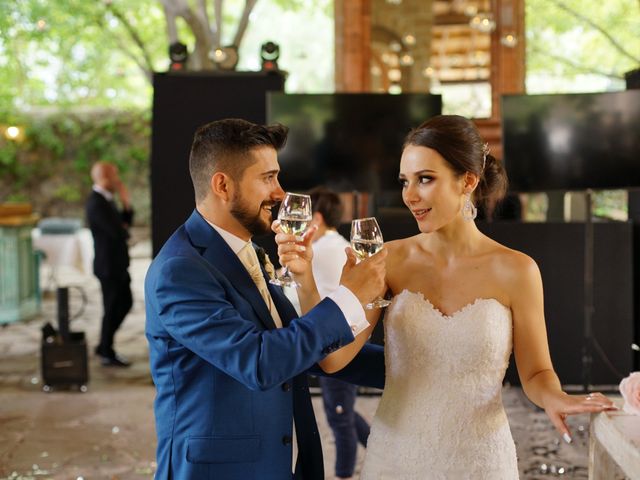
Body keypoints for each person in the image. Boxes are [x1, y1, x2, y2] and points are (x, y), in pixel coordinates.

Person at [277, 115, 616, 479]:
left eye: (425, 179)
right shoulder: (388, 261)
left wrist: (554, 397)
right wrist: (305, 279)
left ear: (467, 180)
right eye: (405, 181)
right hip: (395, 457)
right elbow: (334, 360)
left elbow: (536, 371)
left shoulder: (518, 270)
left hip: (481, 460)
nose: (410, 195)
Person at [144, 118, 386, 480]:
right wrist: (350, 297)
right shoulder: (180, 270)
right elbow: (259, 361)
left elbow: (304, 350)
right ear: (223, 185)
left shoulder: (251, 253)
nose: (279, 192)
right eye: (268, 177)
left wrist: (407, 368)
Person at [307, 187, 370, 480]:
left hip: (335, 344)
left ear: (316, 218)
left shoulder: (320, 251)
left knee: (339, 416)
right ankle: (379, 446)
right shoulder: (340, 245)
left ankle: (344, 475)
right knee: (341, 410)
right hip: (345, 340)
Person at [86, 161, 134, 367]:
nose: (117, 180)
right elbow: (119, 232)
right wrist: (123, 228)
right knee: (112, 307)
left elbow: (125, 223)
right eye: (114, 175)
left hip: (117, 264)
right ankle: (106, 349)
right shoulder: (96, 202)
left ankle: (104, 344)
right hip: (108, 266)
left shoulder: (107, 199)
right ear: (104, 177)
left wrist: (126, 201)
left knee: (125, 303)